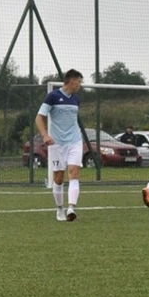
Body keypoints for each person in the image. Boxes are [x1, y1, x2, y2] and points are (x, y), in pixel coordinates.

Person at [35, 69, 84, 222]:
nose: (80, 85)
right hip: (57, 143)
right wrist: (45, 135)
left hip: (75, 141)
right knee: (58, 177)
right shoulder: (53, 96)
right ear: (72, 81)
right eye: (79, 82)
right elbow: (39, 117)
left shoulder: (76, 99)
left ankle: (71, 208)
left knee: (74, 172)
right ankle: (60, 209)